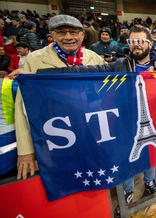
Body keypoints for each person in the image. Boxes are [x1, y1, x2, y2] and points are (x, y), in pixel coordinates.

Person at [37, 24, 156, 204]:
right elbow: (82, 71)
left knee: (151, 153)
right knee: (127, 158)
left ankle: (150, 182)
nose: (136, 45)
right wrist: (39, 74)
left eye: (140, 41)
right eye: (132, 41)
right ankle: (127, 191)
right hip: (124, 121)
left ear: (150, 44)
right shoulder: (120, 64)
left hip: (153, 119)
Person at [12, 14, 105, 180]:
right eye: (62, 32)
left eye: (74, 32)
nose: (68, 37)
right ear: (52, 35)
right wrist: (26, 151)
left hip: (90, 132)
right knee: (65, 180)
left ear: (82, 35)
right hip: (56, 136)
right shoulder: (35, 60)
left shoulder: (94, 58)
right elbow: (22, 107)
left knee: (93, 177)